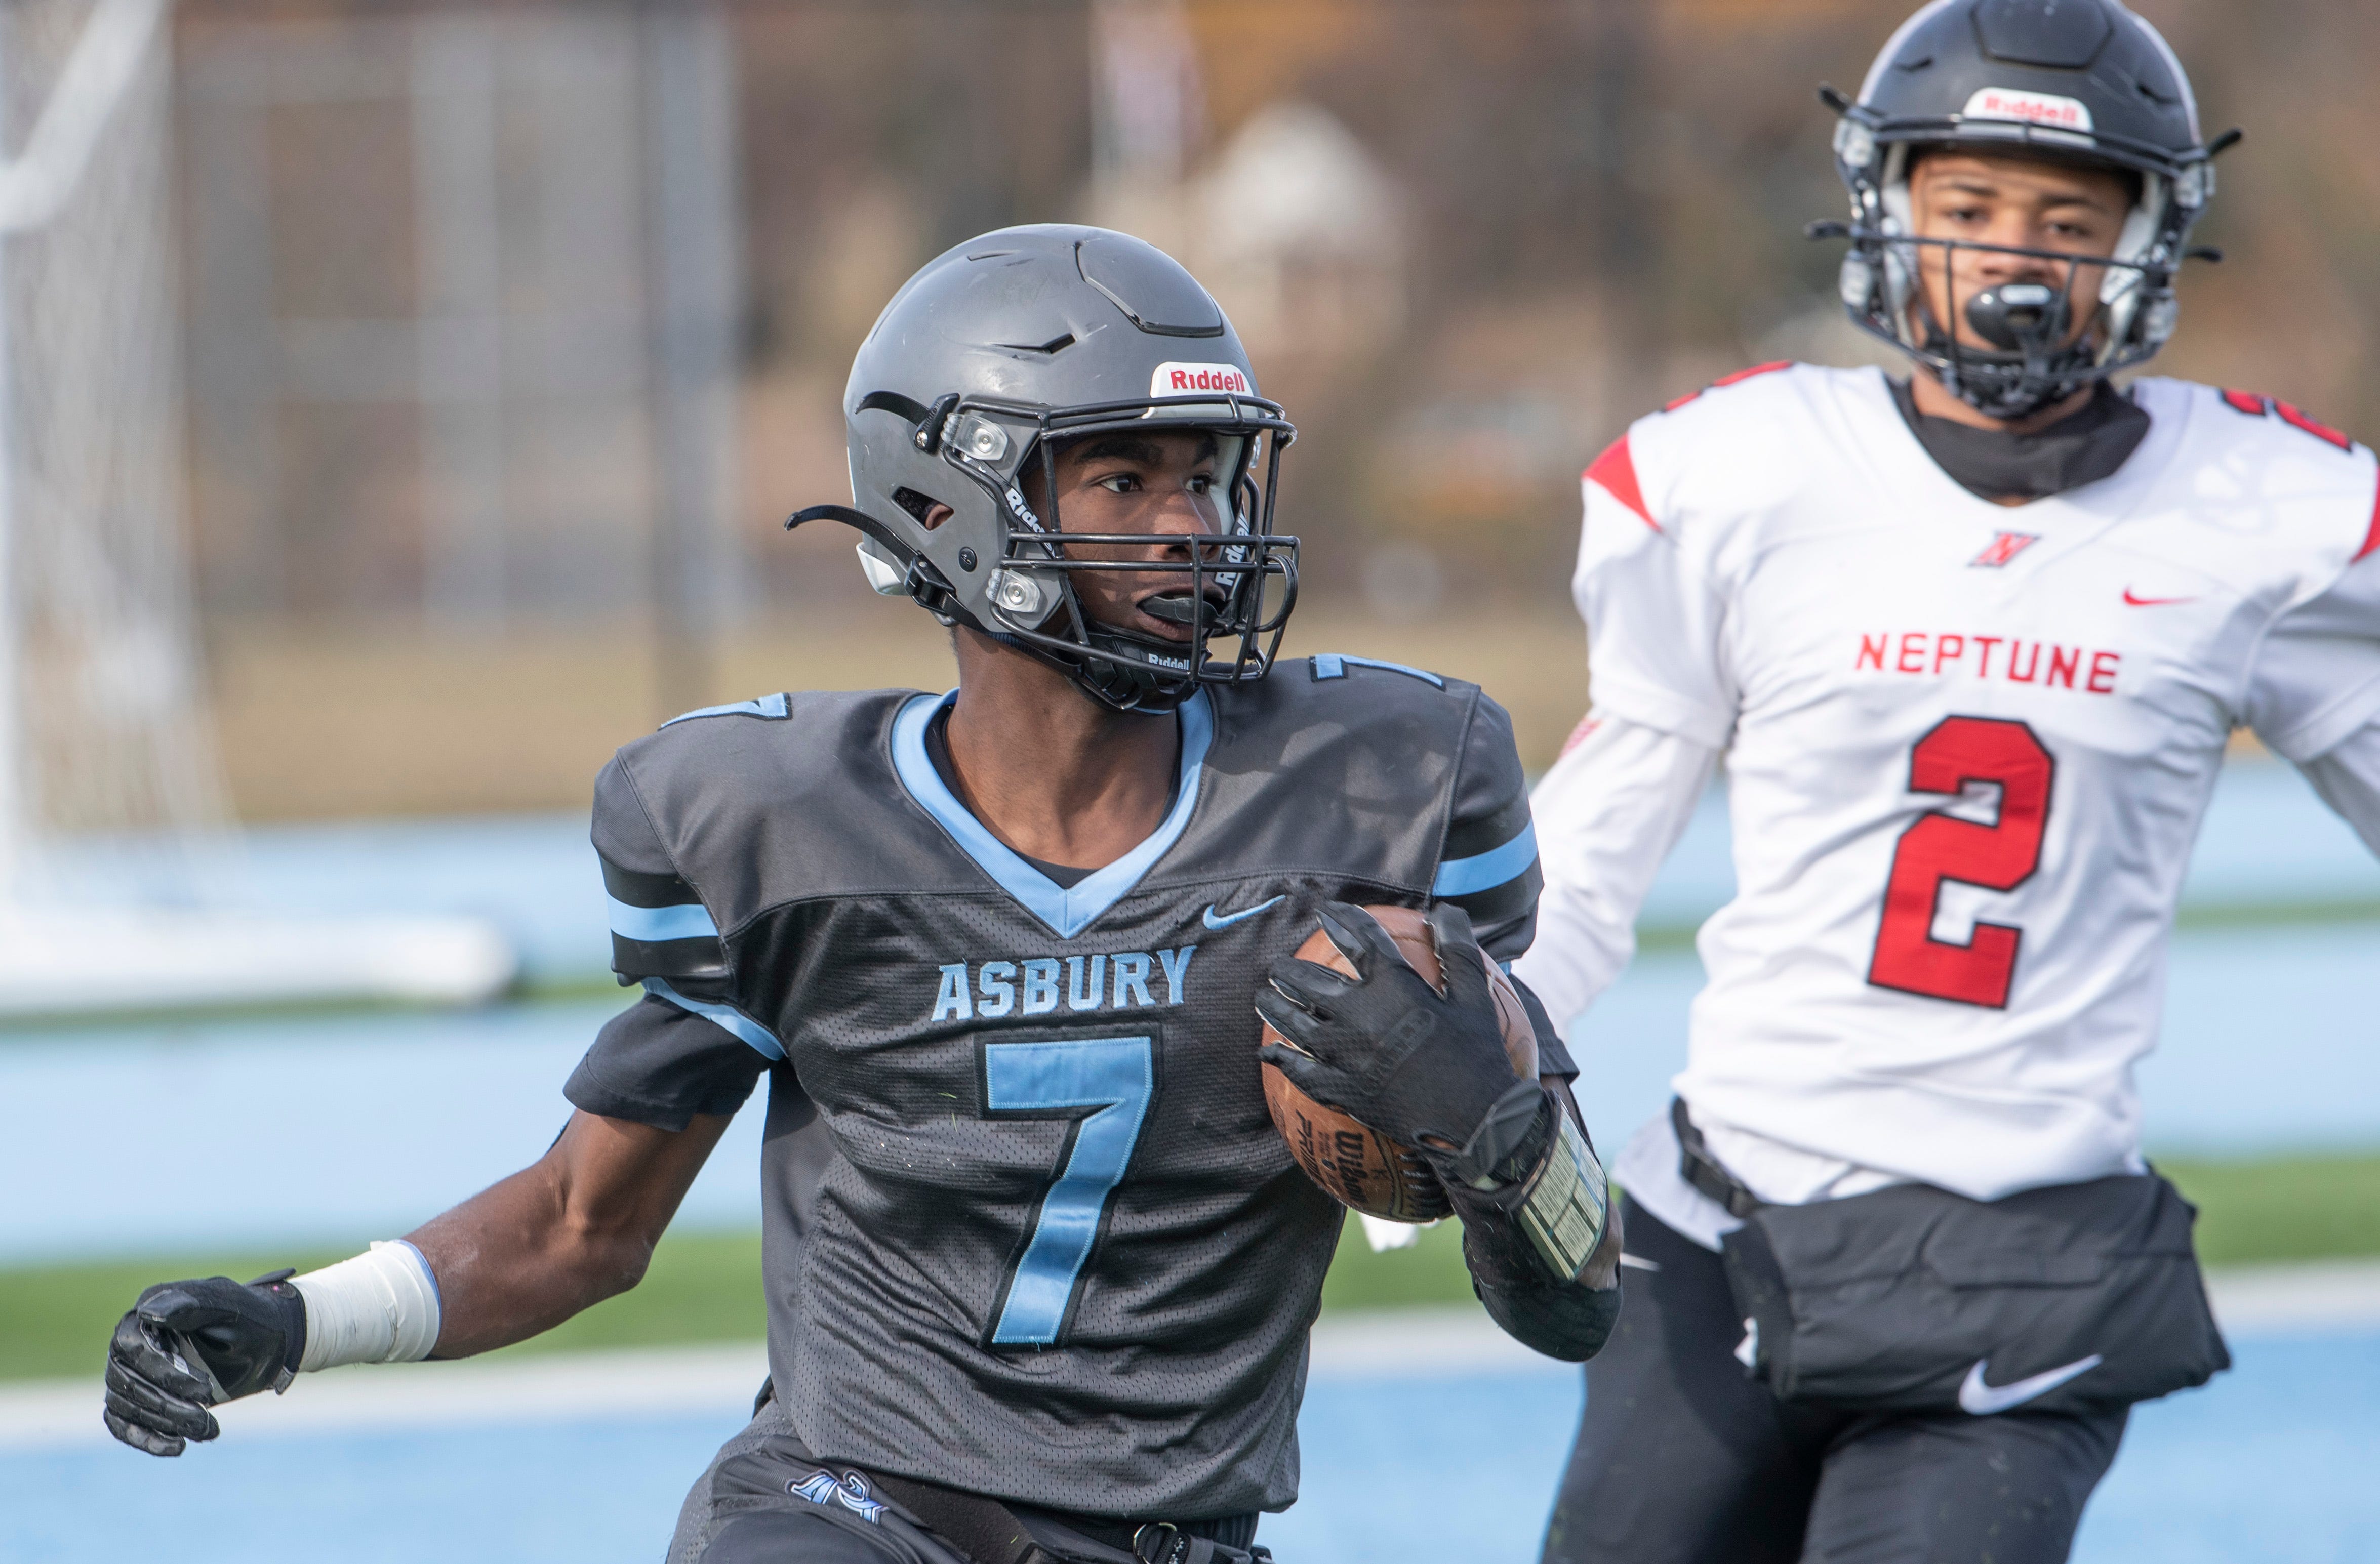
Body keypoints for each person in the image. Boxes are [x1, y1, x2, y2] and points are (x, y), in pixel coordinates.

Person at [100, 225, 1623, 1564]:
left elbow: (1578, 1296)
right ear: (956, 500)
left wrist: (1502, 1141)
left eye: (1208, 476)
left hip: (1176, 1535)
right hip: (855, 1505)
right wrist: (295, 1318)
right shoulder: (781, 824)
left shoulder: (1379, 787)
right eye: (1122, 472)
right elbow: (582, 1221)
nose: (1191, 522)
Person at [1517, 3, 2380, 1560]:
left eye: (2065, 218)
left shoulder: (2267, 514)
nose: (2012, 255)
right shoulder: (1741, 477)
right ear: (1890, 211)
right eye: (1968, 209)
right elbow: (1593, 849)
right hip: (1718, 1218)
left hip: (2026, 1252)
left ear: (2148, 238)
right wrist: (1484, 1058)